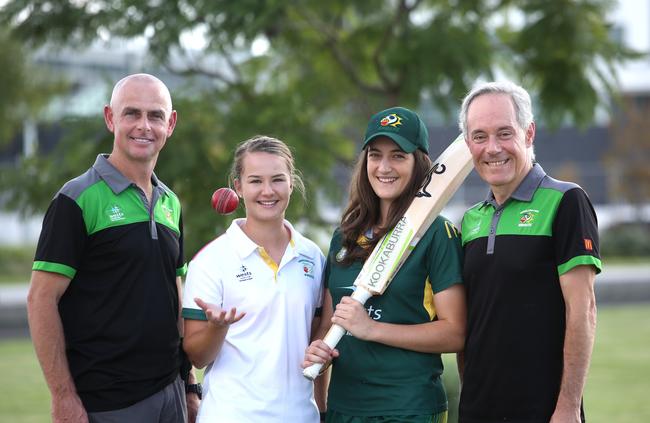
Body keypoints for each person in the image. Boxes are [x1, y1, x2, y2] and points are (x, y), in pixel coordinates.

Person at [27, 73, 199, 423]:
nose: (144, 126)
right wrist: (63, 397)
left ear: (171, 123)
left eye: (155, 116)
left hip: (171, 394)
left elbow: (176, 297)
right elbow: (40, 300)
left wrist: (189, 383)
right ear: (110, 118)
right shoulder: (75, 200)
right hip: (105, 403)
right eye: (131, 113)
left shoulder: (171, 203)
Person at [303, 106, 467, 422]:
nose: (384, 167)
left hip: (409, 408)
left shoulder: (437, 234)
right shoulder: (344, 236)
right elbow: (329, 325)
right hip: (345, 408)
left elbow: (455, 332)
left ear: (418, 163)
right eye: (375, 155)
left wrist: (373, 329)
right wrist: (319, 355)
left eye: (398, 156)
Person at [457, 80, 602, 423]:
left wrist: (567, 407)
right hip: (478, 410)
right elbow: (472, 322)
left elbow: (583, 312)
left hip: (543, 411)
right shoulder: (470, 221)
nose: (492, 148)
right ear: (468, 144)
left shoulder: (566, 201)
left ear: (529, 133)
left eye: (504, 133)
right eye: (480, 137)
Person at [182, 135, 327, 422]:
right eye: (255, 181)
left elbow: (316, 340)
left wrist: (322, 411)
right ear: (238, 186)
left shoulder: (312, 256)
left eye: (277, 179)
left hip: (300, 416)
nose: (268, 191)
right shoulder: (211, 260)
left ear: (291, 182)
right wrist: (217, 328)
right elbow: (197, 357)